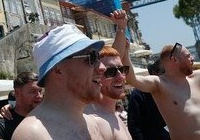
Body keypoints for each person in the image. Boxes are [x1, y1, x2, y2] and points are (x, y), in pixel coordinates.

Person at [113, 12, 200, 140]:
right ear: (175, 60)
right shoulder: (160, 84)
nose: (192, 58)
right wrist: (125, 52)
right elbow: (132, 79)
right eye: (188, 56)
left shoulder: (197, 78)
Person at [11, 24, 106, 140]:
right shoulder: (32, 134)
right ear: (58, 70)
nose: (102, 67)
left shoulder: (92, 123)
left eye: (98, 56)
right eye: (92, 57)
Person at [84, 46, 132, 140]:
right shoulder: (94, 121)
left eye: (122, 69)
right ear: (95, 77)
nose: (121, 77)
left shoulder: (113, 116)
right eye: (110, 72)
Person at [0, 72, 42, 140]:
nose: (39, 96)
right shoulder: (3, 126)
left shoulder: (47, 118)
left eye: (40, 91)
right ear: (17, 93)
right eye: (32, 91)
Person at [127, 59, 170, 140]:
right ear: (154, 73)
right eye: (164, 71)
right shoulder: (138, 93)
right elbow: (134, 127)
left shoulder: (171, 90)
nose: (169, 74)